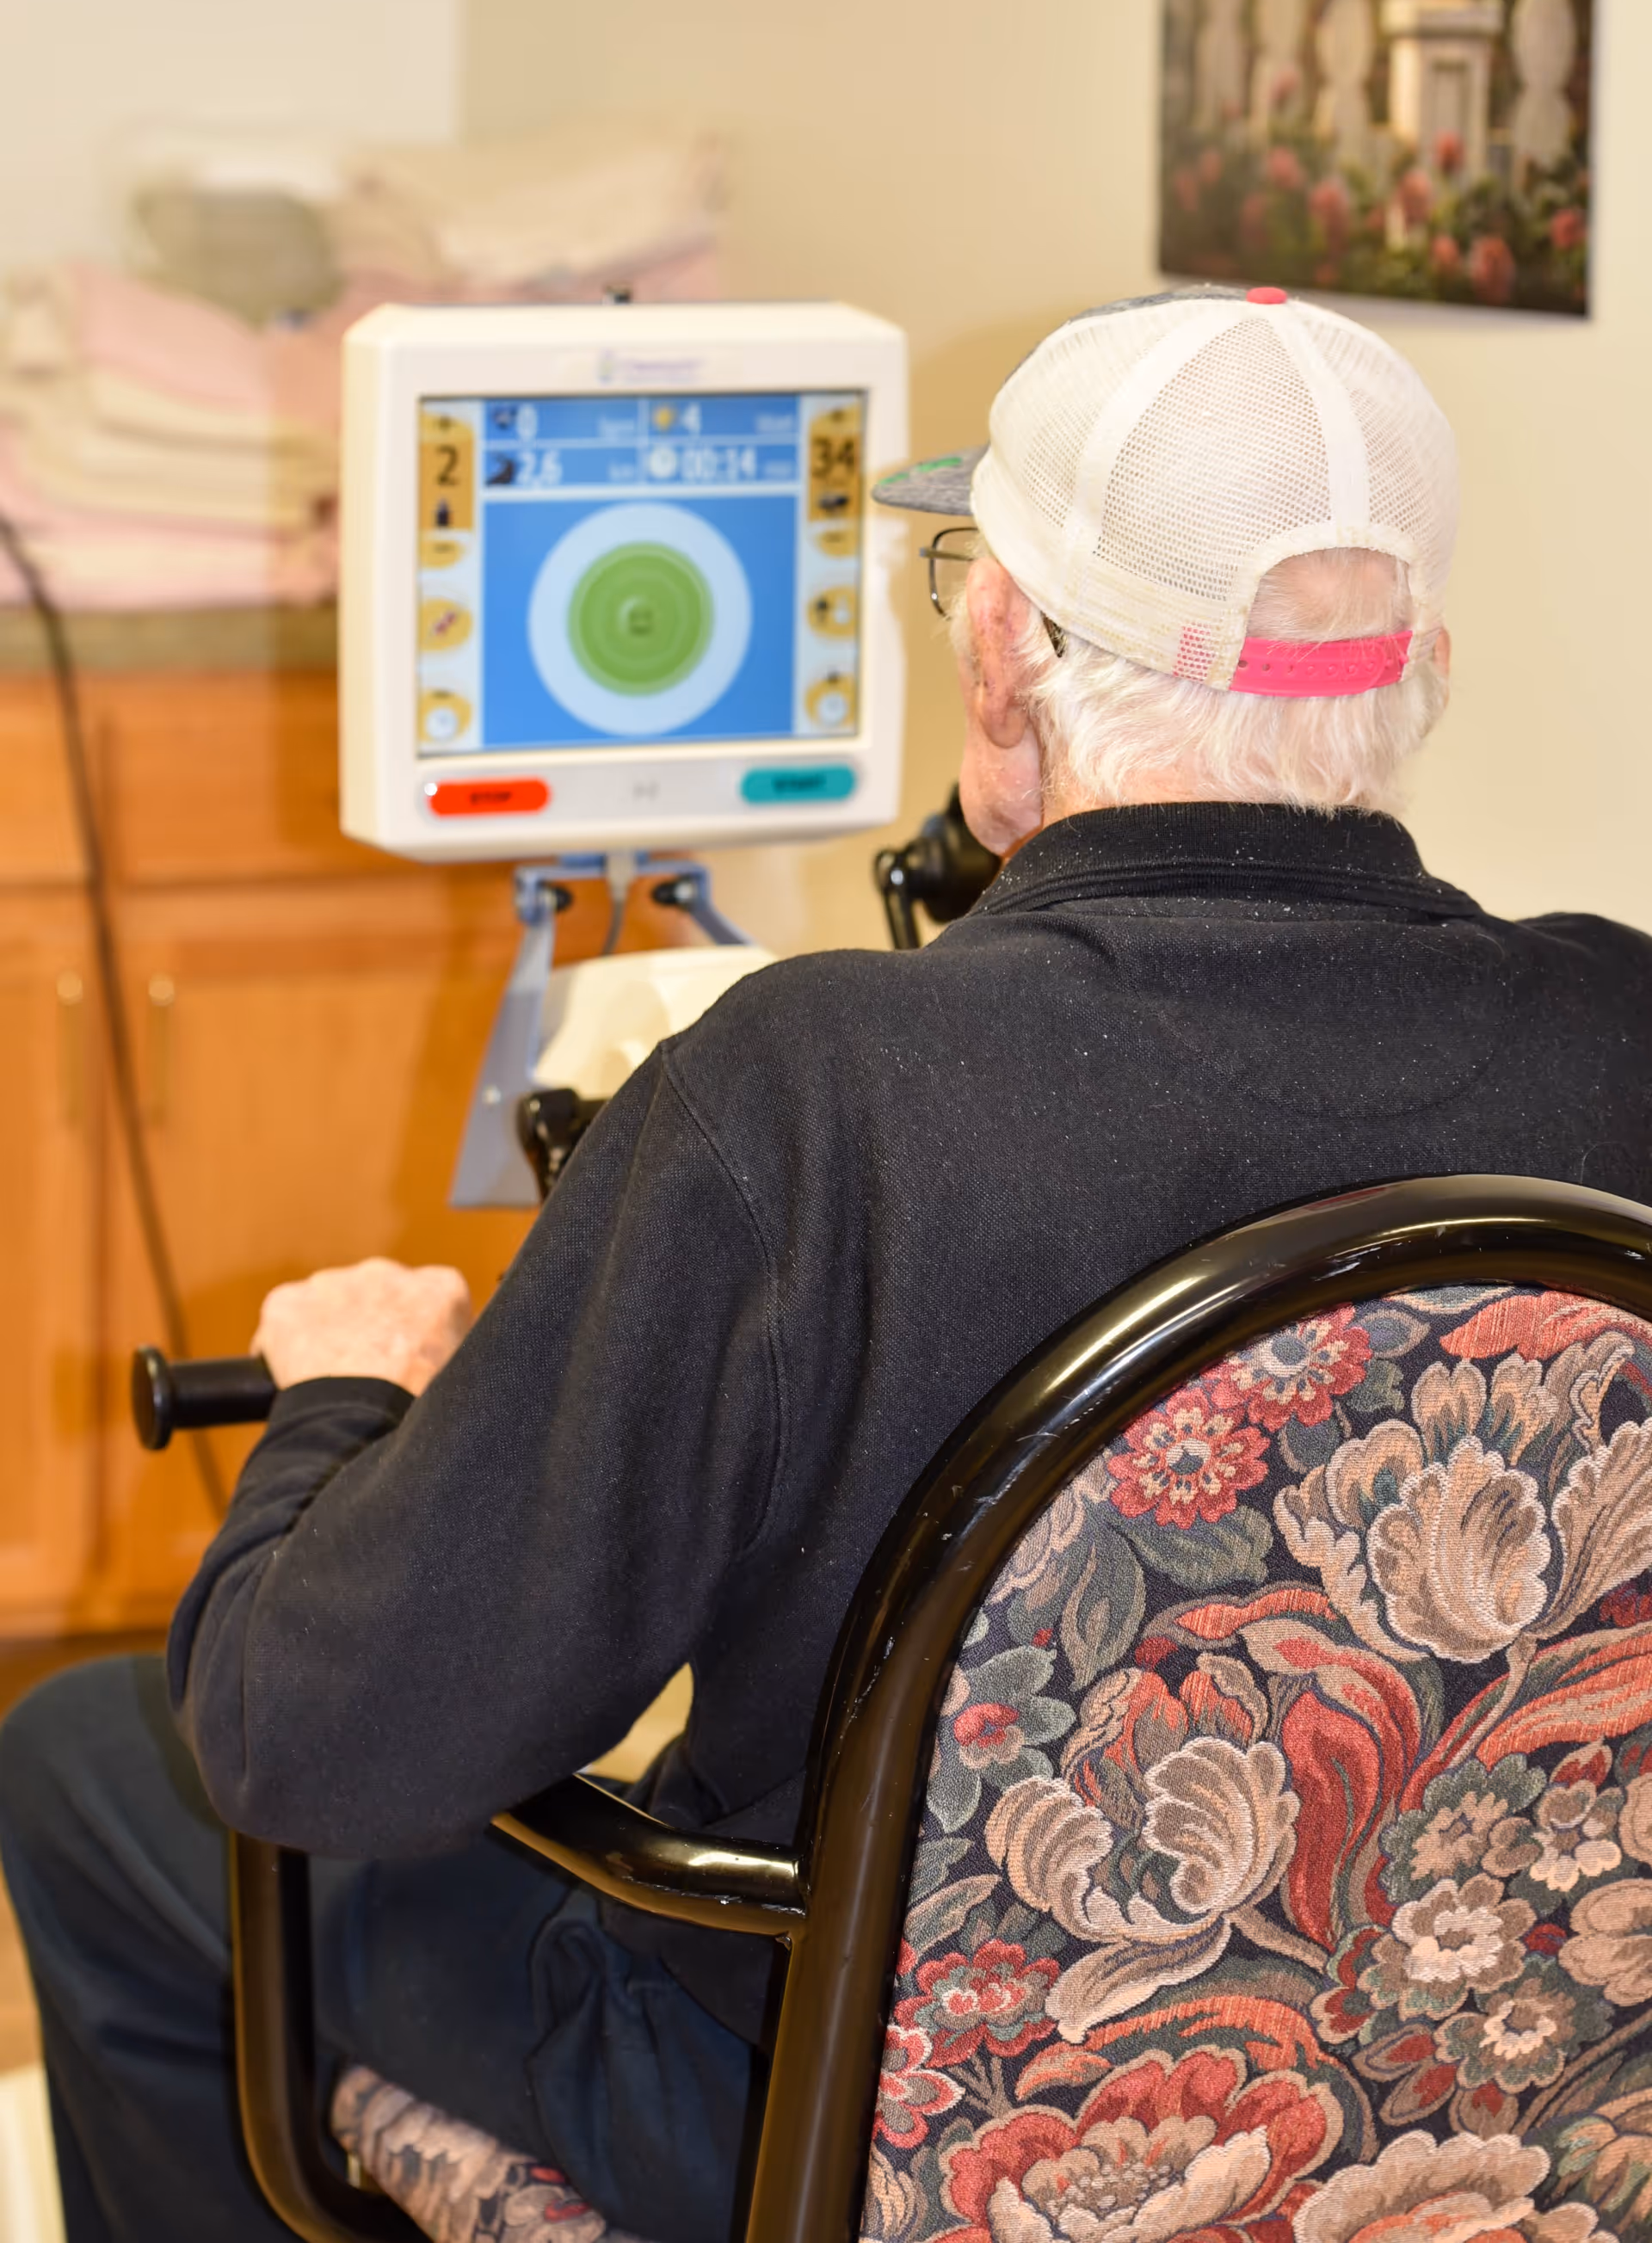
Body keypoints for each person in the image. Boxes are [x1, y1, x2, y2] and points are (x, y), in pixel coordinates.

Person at [5, 286, 1652, 2243]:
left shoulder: (809, 1101)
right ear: (1427, 665)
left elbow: (320, 1740)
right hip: (1474, 2104)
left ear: (1002, 636)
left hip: (822, 2125)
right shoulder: (1615, 1038)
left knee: (100, 1758)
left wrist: (338, 1410)